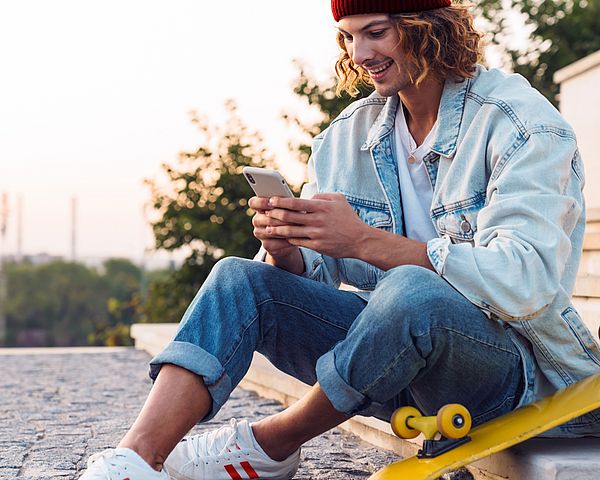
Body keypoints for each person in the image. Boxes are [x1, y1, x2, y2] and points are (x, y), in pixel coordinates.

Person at [81, 0, 600, 479]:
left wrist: (364, 241)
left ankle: (271, 441)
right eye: (349, 37)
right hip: (393, 363)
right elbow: (314, 277)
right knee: (240, 278)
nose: (361, 55)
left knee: (410, 289)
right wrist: (288, 249)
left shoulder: (521, 123)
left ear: (430, 29)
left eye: (376, 33)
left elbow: (525, 280)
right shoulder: (349, 136)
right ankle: (136, 459)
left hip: (511, 374)